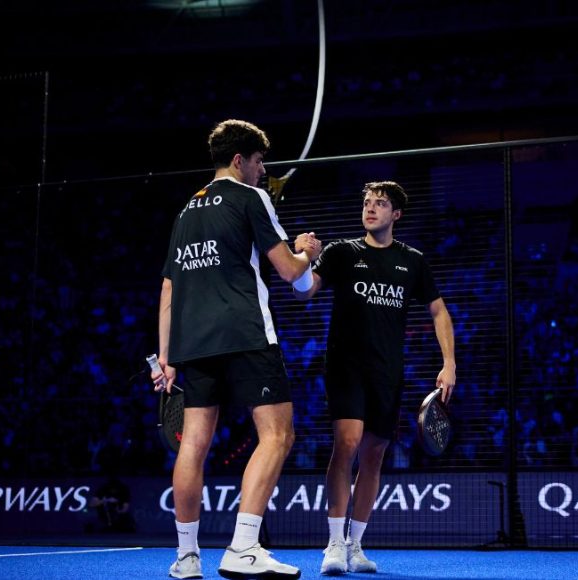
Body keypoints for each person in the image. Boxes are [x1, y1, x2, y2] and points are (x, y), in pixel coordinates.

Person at [151, 119, 321, 580]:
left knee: (194, 446)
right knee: (278, 435)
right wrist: (309, 251)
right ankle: (244, 546)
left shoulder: (187, 209)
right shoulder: (251, 197)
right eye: (260, 161)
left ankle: (187, 558)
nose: (264, 170)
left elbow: (168, 288)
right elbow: (289, 272)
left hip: (192, 342)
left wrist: (165, 357)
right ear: (239, 160)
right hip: (245, 333)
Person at [293, 181, 455, 575]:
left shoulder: (412, 261)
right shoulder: (342, 253)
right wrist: (301, 258)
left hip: (388, 370)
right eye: (366, 202)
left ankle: (356, 546)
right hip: (346, 366)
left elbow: (438, 311)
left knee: (374, 455)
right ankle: (333, 544)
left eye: (380, 203)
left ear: (396, 214)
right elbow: (305, 292)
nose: (371, 208)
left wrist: (449, 363)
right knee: (346, 444)